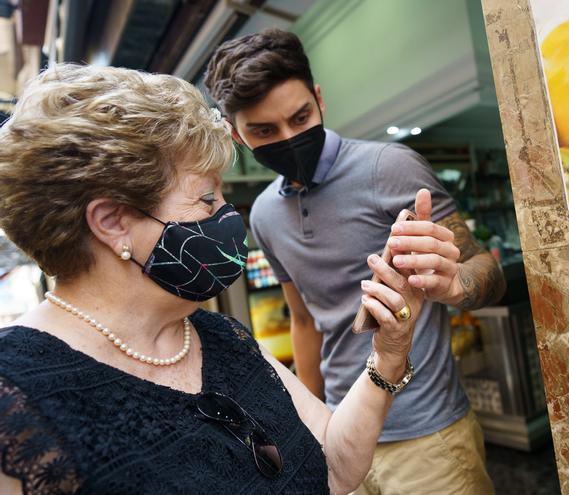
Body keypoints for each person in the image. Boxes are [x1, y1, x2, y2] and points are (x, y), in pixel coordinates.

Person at [0, 63, 426, 494]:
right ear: (112, 222)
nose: (227, 214)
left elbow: (335, 468)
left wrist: (388, 353)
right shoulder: (17, 394)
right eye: (206, 198)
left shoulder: (219, 335)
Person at [204, 28, 506, 494]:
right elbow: (304, 323)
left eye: (300, 116)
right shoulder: (263, 214)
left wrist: (456, 285)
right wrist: (312, 428)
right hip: (341, 436)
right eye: (264, 131)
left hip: (428, 436)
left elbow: (486, 270)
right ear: (236, 134)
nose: (288, 137)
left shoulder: (389, 166)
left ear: (319, 99)